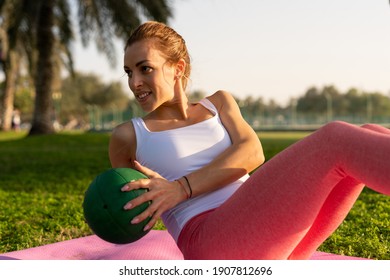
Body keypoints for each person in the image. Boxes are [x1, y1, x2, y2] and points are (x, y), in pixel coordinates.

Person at [109, 21, 390, 260]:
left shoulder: (218, 103)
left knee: (370, 130)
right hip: (209, 242)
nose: (134, 83)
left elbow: (252, 152)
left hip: (260, 232)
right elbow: (125, 208)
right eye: (129, 72)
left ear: (177, 68)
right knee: (335, 141)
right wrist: (144, 204)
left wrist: (180, 188)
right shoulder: (129, 136)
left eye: (145, 68)